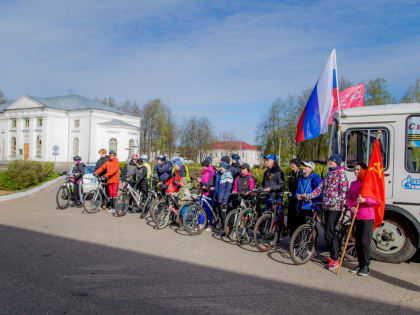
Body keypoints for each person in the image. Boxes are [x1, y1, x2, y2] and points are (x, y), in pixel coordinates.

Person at [305, 154, 349, 270]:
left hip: (335, 208)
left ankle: (335, 259)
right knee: (328, 233)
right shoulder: (329, 173)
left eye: (332, 161)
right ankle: (332, 255)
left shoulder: (341, 174)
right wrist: (309, 196)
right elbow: (320, 188)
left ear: (337, 162)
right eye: (330, 161)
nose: (330, 162)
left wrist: (333, 202)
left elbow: (344, 193)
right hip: (326, 206)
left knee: (329, 233)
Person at [346, 162, 377, 276]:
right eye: (355, 169)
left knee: (365, 241)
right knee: (357, 242)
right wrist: (351, 207)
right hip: (356, 215)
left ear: (364, 170)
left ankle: (366, 266)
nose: (356, 171)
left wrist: (365, 200)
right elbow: (349, 198)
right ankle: (360, 263)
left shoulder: (369, 184)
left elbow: (376, 200)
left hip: (367, 216)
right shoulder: (353, 184)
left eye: (358, 169)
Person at [262, 154, 285, 239]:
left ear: (273, 161)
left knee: (277, 216)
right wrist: (259, 189)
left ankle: (278, 236)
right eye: (266, 160)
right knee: (267, 214)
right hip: (268, 196)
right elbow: (263, 184)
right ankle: (267, 234)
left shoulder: (279, 172)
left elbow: (281, 185)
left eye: (268, 160)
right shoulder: (266, 172)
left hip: (277, 196)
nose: (266, 161)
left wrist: (270, 188)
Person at [296, 161, 322, 229]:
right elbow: (298, 190)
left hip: (311, 206)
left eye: (306, 166)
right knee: (300, 225)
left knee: (309, 226)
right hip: (301, 205)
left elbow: (320, 192)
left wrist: (307, 195)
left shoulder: (315, 178)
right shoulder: (301, 178)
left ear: (311, 169)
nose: (303, 167)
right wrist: (297, 195)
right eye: (303, 166)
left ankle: (311, 238)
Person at [287, 158, 303, 234]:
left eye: (292, 164)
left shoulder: (300, 174)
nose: (291, 165)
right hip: (291, 198)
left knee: (296, 218)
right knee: (290, 217)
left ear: (297, 165)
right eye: (290, 164)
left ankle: (296, 235)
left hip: (298, 199)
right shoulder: (291, 173)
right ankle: (290, 233)